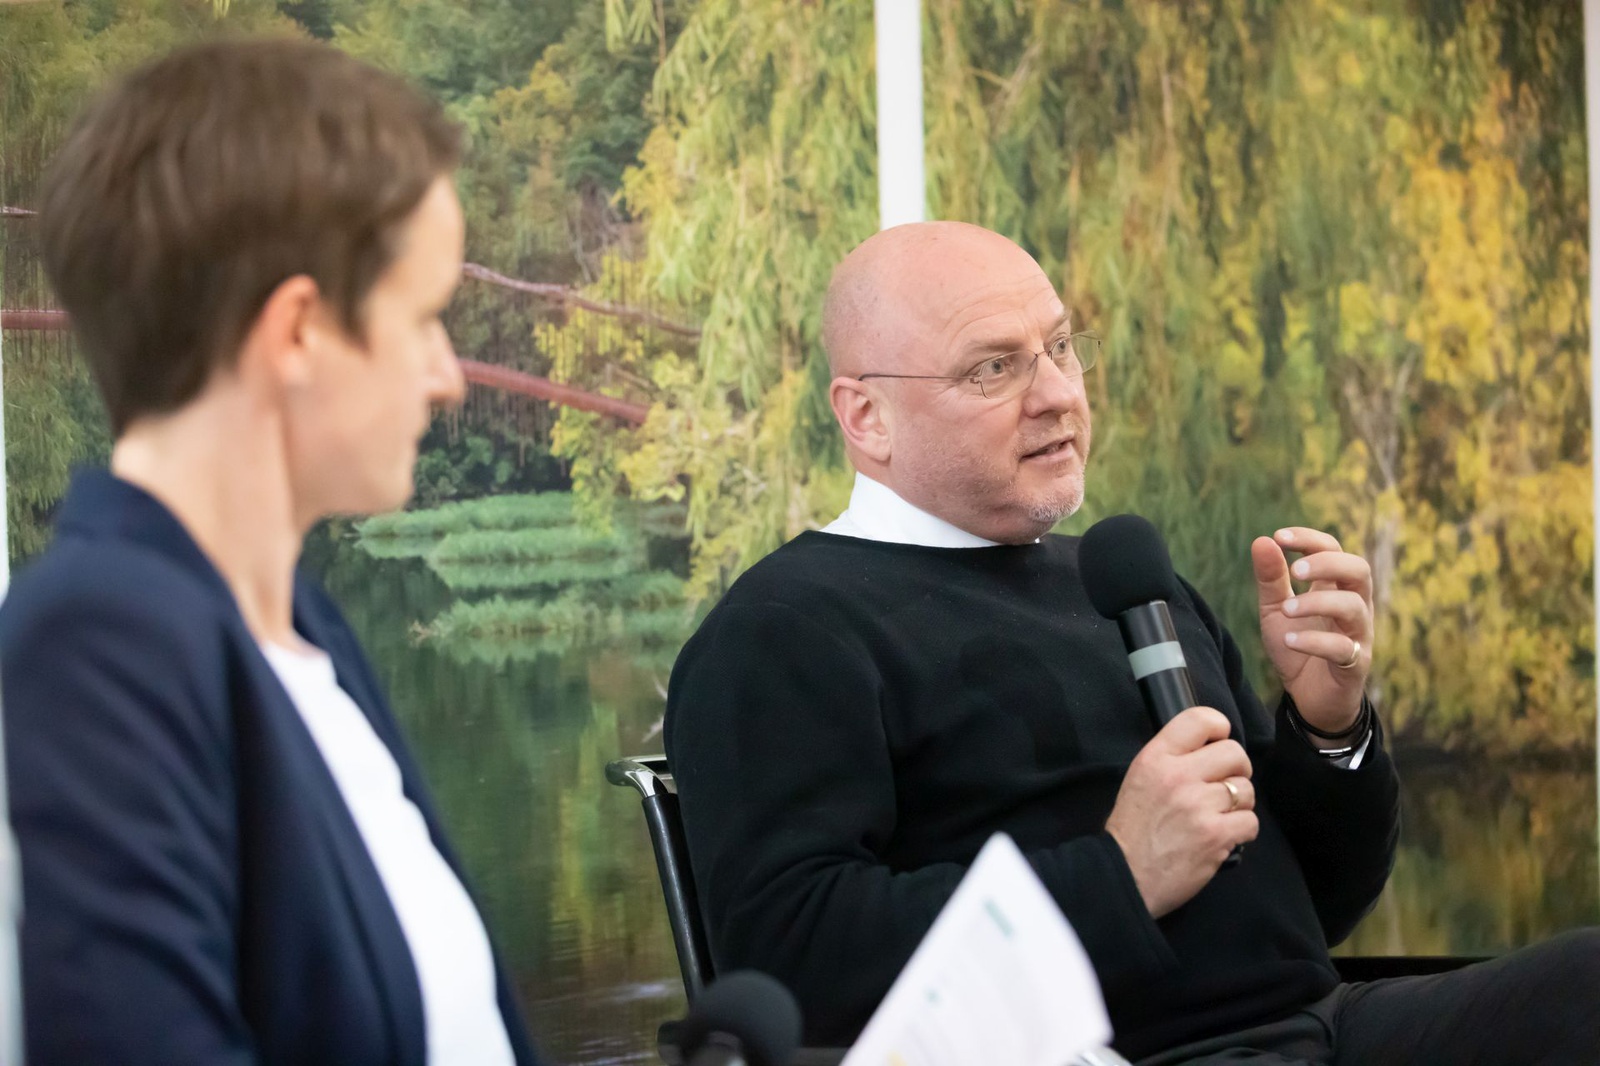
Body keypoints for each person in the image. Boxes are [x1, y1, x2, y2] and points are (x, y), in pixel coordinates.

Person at [664, 221, 1599, 1063]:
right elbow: (789, 963)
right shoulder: (782, 631)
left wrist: (1328, 732)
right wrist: (1117, 875)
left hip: (1327, 1026)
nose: (1057, 395)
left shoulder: (1123, 576)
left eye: (1061, 347)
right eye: (993, 369)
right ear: (866, 417)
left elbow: (1313, 910)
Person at [0, 39, 546, 1066]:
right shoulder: (101, 638)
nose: (449, 377)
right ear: (295, 330)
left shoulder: (300, 628)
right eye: (425, 318)